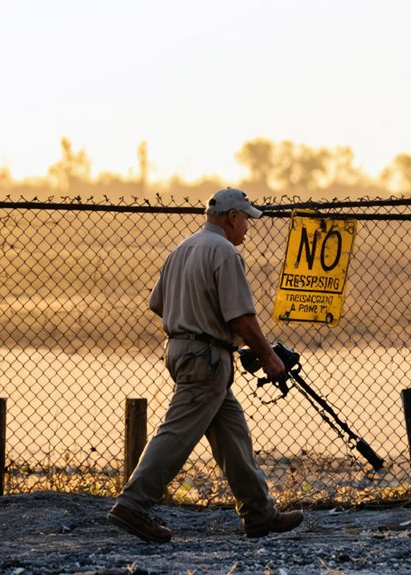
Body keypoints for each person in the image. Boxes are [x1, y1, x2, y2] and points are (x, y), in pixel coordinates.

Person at [107, 188, 303, 542]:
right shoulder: (225, 253)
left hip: (185, 351)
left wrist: (198, 322)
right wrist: (268, 357)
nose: (247, 228)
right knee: (177, 432)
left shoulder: (182, 249)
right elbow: (242, 318)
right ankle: (132, 505)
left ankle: (259, 514)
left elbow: (158, 304)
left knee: (232, 435)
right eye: (246, 220)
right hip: (207, 359)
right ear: (231, 218)